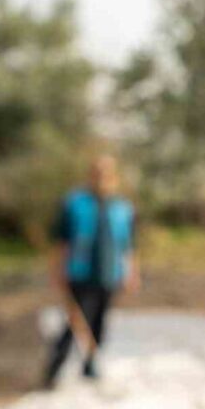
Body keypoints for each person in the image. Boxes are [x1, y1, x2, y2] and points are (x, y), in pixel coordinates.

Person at [42, 154, 139, 389]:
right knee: (75, 323)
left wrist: (131, 272)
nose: (101, 178)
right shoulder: (74, 204)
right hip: (80, 272)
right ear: (90, 175)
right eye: (97, 173)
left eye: (106, 173)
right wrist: (57, 270)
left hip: (109, 273)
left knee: (99, 323)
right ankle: (53, 369)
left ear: (113, 176)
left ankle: (90, 365)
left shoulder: (123, 208)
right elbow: (61, 240)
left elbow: (128, 245)